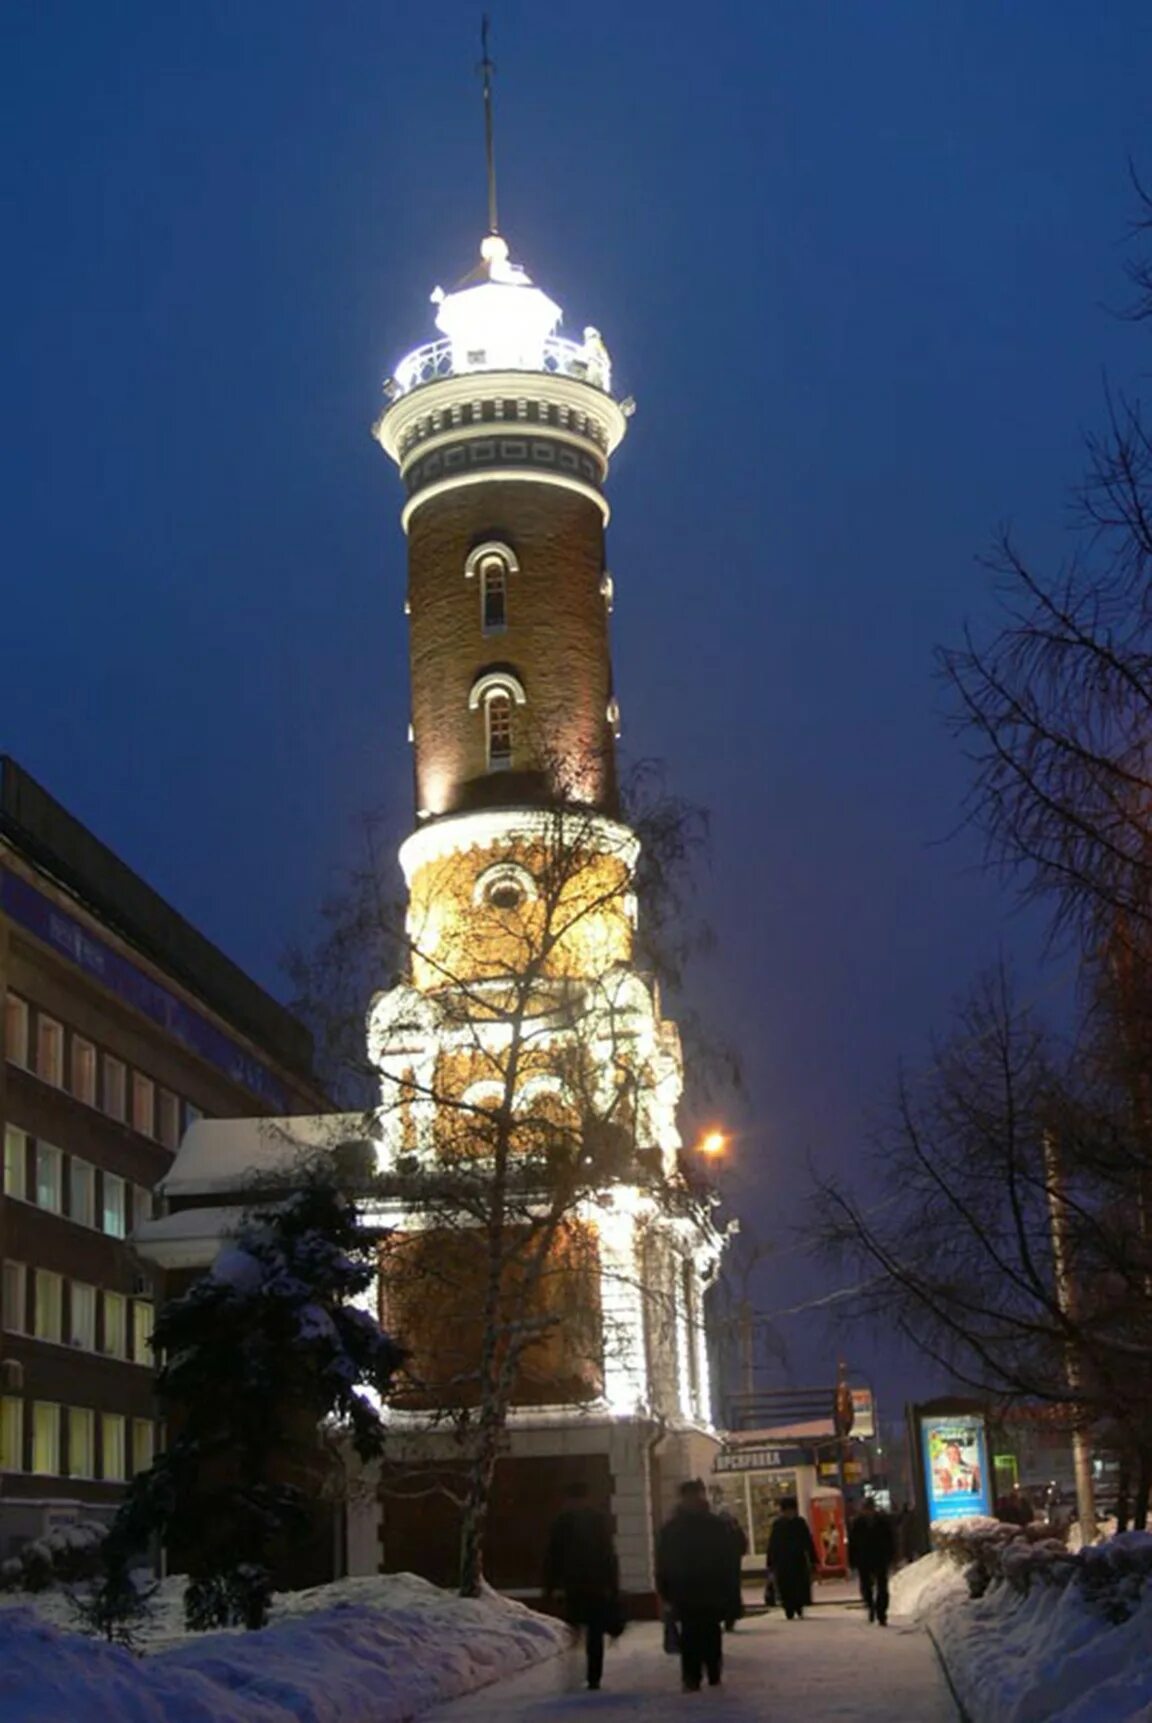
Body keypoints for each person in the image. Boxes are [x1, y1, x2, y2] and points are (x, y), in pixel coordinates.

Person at [656, 1479, 734, 1692]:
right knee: (692, 1634)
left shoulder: (710, 1525)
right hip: (688, 1589)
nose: (693, 1500)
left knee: (707, 1631)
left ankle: (710, 1671)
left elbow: (726, 1558)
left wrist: (728, 1588)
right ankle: (693, 1676)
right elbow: (663, 1560)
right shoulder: (678, 1528)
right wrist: (664, 1590)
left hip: (704, 1588)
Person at [543, 1481, 622, 1691]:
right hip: (593, 1585)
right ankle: (592, 1676)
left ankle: (576, 1673)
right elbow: (608, 1555)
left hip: (574, 1585)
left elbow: (553, 1557)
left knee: (576, 1630)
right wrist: (613, 1586)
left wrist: (551, 1587)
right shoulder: (597, 1521)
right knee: (592, 1633)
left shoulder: (562, 1522)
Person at [766, 1497, 818, 1620]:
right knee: (785, 1585)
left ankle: (798, 1606)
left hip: (797, 1560)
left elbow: (808, 1542)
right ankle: (788, 1607)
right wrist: (771, 1563)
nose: (789, 1513)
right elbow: (773, 1545)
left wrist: (813, 1559)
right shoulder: (778, 1524)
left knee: (798, 1584)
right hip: (783, 1561)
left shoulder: (800, 1523)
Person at [847, 1497, 896, 1625]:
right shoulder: (857, 1524)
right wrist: (852, 1560)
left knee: (882, 1586)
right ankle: (870, 1605)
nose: (869, 1512)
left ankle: (881, 1612)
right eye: (866, 1509)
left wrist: (891, 1556)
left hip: (880, 1558)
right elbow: (853, 1543)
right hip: (864, 1559)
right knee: (866, 1586)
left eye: (870, 1509)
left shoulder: (882, 1522)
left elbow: (890, 1540)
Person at [713, 1504, 748, 1631]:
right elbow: (743, 1546)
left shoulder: (717, 1531)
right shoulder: (735, 1530)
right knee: (732, 1592)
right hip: (732, 1566)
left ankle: (726, 1616)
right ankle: (731, 1617)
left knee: (723, 1593)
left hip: (722, 1567)